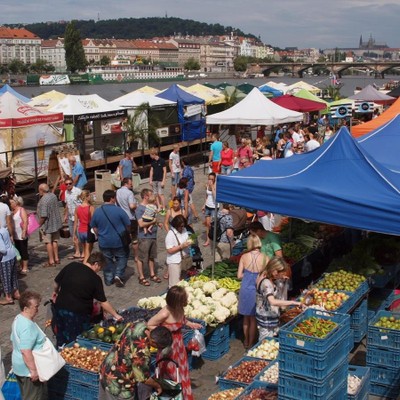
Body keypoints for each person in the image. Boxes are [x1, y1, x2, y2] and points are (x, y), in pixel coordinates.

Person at [53, 252, 122, 347]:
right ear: (96, 264)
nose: (99, 270)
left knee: (60, 334)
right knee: (75, 339)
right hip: (77, 313)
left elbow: (56, 282)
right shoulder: (95, 279)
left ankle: (60, 352)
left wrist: (56, 292)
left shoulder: (72, 265)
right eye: (100, 267)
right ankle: (70, 357)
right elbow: (103, 302)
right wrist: (115, 315)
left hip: (60, 307)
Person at [147, 286, 203, 400]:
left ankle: (184, 395)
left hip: (179, 344)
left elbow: (183, 320)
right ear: (176, 301)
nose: (186, 301)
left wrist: (190, 324)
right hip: (168, 346)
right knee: (171, 372)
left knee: (182, 370)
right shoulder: (164, 314)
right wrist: (164, 333)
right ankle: (173, 395)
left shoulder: (180, 308)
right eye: (184, 299)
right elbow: (149, 324)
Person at [99, 322, 173, 400]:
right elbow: (142, 378)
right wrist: (157, 386)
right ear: (154, 342)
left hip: (106, 369)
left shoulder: (138, 325)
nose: (159, 350)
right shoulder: (142, 353)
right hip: (119, 384)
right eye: (159, 347)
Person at [90, 190, 131, 287]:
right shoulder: (119, 210)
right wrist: (126, 232)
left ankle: (109, 279)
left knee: (107, 260)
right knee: (122, 257)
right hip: (119, 241)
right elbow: (128, 225)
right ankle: (118, 274)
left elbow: (94, 227)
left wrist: (100, 235)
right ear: (112, 198)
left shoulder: (97, 211)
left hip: (104, 241)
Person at [11, 291, 46, 400]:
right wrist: (33, 371)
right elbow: (25, 351)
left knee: (26, 395)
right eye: (35, 307)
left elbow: (13, 340)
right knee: (33, 396)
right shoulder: (27, 326)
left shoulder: (18, 319)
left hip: (18, 366)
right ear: (26, 308)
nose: (38, 309)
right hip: (27, 370)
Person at [256, 257, 302, 339]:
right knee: (266, 342)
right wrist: (293, 302)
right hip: (266, 319)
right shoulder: (266, 283)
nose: (283, 275)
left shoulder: (266, 276)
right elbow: (272, 301)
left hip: (269, 316)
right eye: (282, 273)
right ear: (274, 272)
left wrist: (280, 280)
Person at [237, 234, 269, 350]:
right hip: (257, 289)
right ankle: (251, 343)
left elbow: (239, 275)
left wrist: (248, 275)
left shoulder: (244, 257)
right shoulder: (265, 258)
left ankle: (245, 340)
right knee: (254, 318)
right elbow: (266, 276)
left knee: (246, 317)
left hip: (245, 288)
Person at [136, 188, 162, 286]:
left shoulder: (151, 207)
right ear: (146, 196)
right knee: (141, 257)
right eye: (151, 195)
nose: (152, 197)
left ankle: (152, 274)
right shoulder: (140, 209)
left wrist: (158, 223)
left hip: (153, 235)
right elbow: (141, 224)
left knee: (152, 257)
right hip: (144, 237)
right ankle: (141, 277)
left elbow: (153, 218)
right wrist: (154, 222)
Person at [37, 183, 63, 267]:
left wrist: (38, 224)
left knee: (48, 242)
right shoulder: (53, 195)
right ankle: (56, 258)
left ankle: (51, 261)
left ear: (41, 190)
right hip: (55, 223)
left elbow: (44, 216)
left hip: (47, 225)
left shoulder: (44, 200)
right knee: (55, 241)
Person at [165, 215, 191, 287]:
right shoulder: (170, 235)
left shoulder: (184, 230)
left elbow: (187, 239)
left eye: (183, 226)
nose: (182, 228)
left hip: (184, 259)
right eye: (181, 226)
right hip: (175, 261)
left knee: (183, 282)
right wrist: (181, 246)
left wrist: (190, 242)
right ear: (176, 225)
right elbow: (169, 250)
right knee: (174, 284)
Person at [116, 177, 139, 263]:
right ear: (126, 184)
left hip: (121, 217)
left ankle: (122, 254)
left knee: (123, 236)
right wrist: (137, 205)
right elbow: (132, 206)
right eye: (130, 183)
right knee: (134, 238)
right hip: (130, 217)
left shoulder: (117, 192)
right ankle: (136, 256)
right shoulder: (129, 193)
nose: (132, 185)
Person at [73, 190, 95, 264]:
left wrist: (74, 234)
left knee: (85, 250)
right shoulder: (91, 208)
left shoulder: (77, 208)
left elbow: (75, 222)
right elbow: (93, 221)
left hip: (80, 231)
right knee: (88, 252)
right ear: (87, 197)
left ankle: (85, 263)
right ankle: (85, 265)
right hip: (88, 231)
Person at [0, 226, 20, 305]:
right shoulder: (3, 229)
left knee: (6, 278)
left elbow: (2, 249)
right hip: (12, 255)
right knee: (13, 276)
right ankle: (16, 293)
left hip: (5, 258)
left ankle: (8, 297)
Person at [64, 178, 82, 260]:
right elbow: (67, 204)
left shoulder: (78, 191)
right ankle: (77, 251)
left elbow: (82, 204)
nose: (68, 185)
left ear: (72, 183)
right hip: (71, 217)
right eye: (66, 184)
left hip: (78, 217)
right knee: (73, 234)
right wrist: (66, 215)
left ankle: (83, 251)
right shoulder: (66, 192)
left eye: (70, 183)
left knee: (79, 234)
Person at [10, 196, 29, 274]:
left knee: (23, 250)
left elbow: (25, 221)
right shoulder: (12, 211)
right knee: (18, 251)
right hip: (15, 235)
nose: (10, 204)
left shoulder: (21, 210)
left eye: (11, 202)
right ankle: (21, 265)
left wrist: (24, 232)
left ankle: (25, 267)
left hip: (21, 234)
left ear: (16, 202)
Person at [149, 148, 167, 215]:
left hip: (160, 179)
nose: (150, 156)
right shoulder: (152, 161)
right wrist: (150, 179)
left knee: (160, 194)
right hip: (154, 179)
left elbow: (165, 171)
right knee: (155, 194)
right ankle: (159, 206)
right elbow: (151, 170)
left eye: (150, 155)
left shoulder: (162, 161)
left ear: (153, 154)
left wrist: (163, 181)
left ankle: (164, 208)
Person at [201, 172, 216, 247]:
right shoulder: (207, 185)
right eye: (209, 179)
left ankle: (214, 237)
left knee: (212, 224)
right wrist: (204, 204)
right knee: (207, 224)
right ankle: (208, 239)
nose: (210, 180)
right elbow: (206, 196)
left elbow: (215, 196)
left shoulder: (216, 186)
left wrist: (212, 186)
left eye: (212, 179)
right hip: (208, 206)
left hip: (214, 207)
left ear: (214, 179)